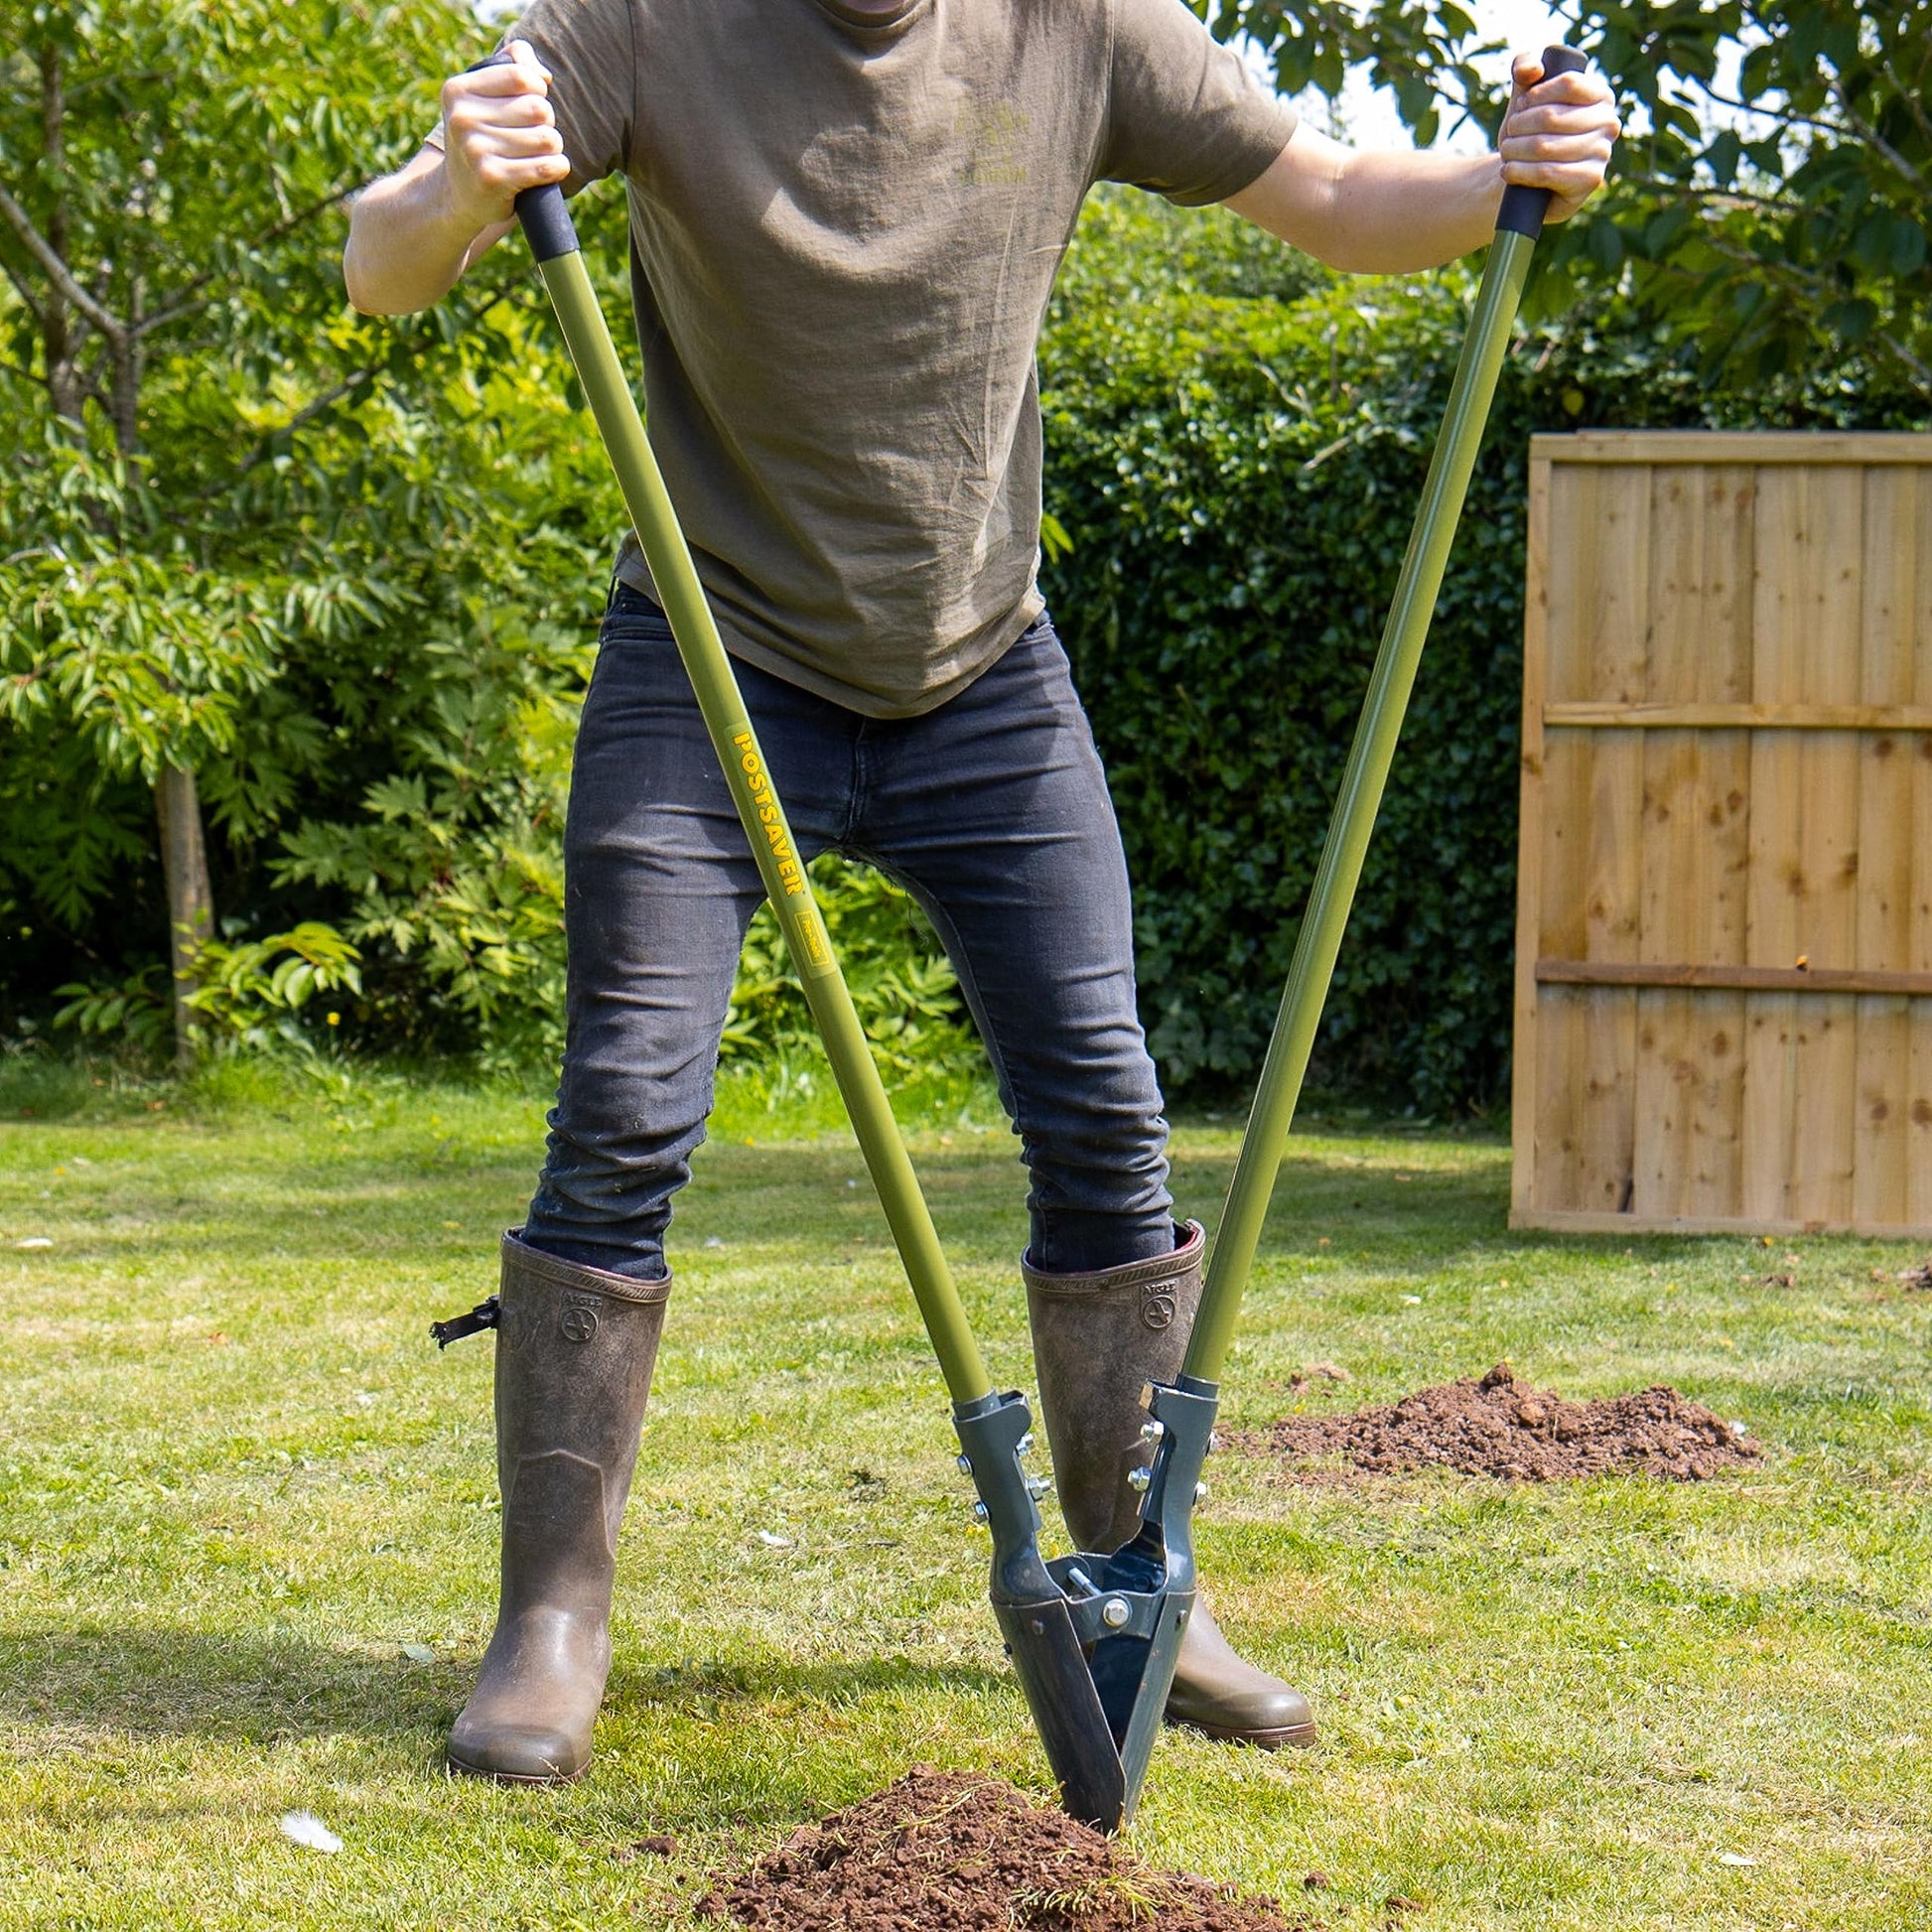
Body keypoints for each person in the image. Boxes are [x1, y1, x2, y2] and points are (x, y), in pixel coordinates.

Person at [345, 0, 1617, 1786]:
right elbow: (383, 265)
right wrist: (459, 190)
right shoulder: (646, 21)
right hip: (710, 660)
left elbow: (1333, 199)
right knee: (625, 1105)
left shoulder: (1079, 25)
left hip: (980, 673)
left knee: (1104, 1109)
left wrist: (1504, 178)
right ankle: (551, 1616)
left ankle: (1136, 1579)